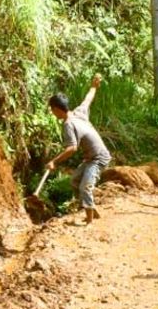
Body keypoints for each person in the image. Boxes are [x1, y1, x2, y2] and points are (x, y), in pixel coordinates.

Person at [46, 75, 112, 226]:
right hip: (91, 158)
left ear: (56, 109)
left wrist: (53, 162)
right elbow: (88, 99)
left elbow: (72, 148)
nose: (52, 112)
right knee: (75, 181)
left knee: (84, 187)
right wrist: (94, 86)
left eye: (52, 110)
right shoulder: (78, 112)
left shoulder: (68, 124)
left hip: (98, 158)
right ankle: (91, 209)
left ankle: (89, 222)